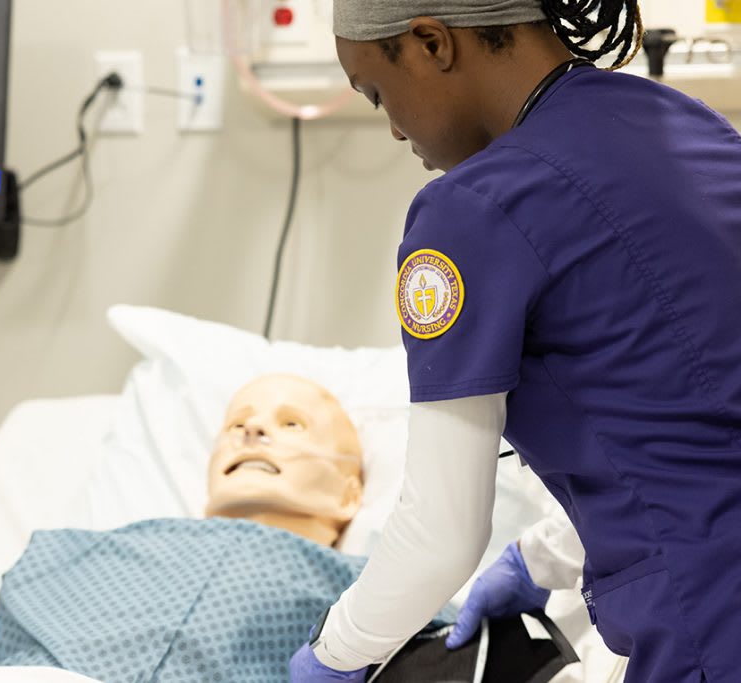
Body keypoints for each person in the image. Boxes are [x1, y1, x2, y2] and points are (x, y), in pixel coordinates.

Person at [289, 1, 741, 682]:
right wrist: (540, 557)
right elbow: (694, 426)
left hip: (714, 624)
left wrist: (334, 654)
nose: (391, 127)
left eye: (378, 92)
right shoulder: (682, 121)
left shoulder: (471, 211)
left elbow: (440, 534)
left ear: (431, 43)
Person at [0, 374, 374, 680]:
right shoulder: (68, 555)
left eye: (292, 424)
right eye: (236, 423)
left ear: (349, 494)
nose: (252, 429)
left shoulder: (374, 591)